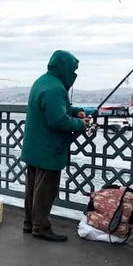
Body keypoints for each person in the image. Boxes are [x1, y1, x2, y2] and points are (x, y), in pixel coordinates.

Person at [20, 50, 89, 242]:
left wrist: (76, 111)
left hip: (34, 148)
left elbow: (55, 107)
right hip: (48, 150)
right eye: (73, 69)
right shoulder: (55, 88)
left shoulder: (43, 82)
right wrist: (80, 124)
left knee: (32, 189)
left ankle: (29, 222)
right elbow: (58, 120)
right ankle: (41, 227)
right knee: (45, 191)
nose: (74, 74)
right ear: (65, 68)